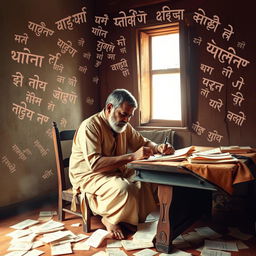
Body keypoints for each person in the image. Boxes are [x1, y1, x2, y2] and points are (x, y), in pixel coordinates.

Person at [69, 89, 175, 239]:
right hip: (89, 175)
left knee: (146, 179)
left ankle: (128, 218)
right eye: (123, 114)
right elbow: (95, 164)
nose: (126, 119)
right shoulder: (90, 126)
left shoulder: (122, 125)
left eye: (130, 116)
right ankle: (109, 219)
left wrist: (158, 147)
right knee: (124, 189)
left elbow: (143, 142)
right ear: (109, 108)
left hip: (115, 171)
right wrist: (132, 156)